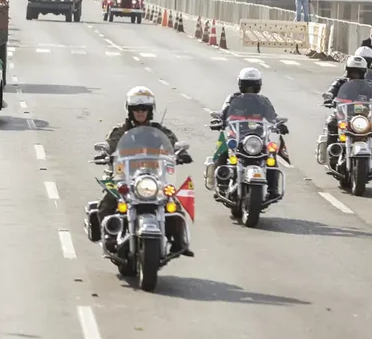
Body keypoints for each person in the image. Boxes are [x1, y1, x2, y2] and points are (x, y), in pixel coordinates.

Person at [94, 86, 193, 257]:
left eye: (144, 109)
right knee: (109, 201)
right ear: (130, 110)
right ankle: (109, 236)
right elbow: (110, 144)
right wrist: (105, 152)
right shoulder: (120, 131)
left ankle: (178, 241)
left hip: (153, 176)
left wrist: (180, 153)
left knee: (172, 204)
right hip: (123, 175)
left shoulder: (159, 131)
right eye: (136, 109)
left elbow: (172, 143)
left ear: (150, 111)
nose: (141, 112)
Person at [210, 67, 287, 197]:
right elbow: (224, 113)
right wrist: (219, 121)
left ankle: (272, 189)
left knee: (271, 156)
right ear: (241, 84)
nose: (250, 88)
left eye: (253, 84)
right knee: (222, 150)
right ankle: (221, 184)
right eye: (247, 84)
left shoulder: (263, 101)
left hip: (258, 138)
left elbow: (272, 116)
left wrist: (279, 124)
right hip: (236, 136)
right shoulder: (233, 99)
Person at [322, 56, 368, 163]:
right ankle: (333, 153)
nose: (355, 74)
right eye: (352, 71)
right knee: (331, 122)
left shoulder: (368, 85)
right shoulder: (340, 82)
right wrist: (329, 96)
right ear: (347, 71)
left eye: (358, 72)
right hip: (343, 113)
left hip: (362, 116)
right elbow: (331, 90)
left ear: (363, 72)